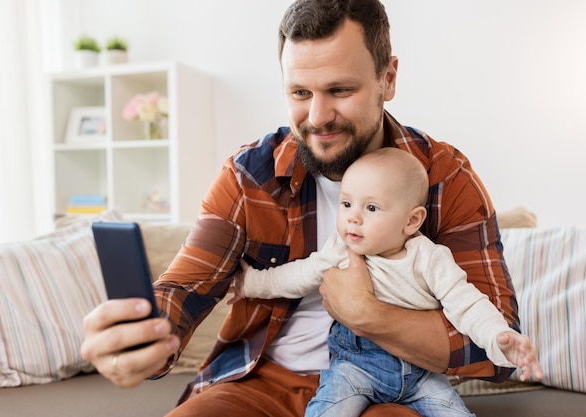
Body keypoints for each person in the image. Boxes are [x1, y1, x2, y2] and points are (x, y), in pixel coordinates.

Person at [81, 1, 523, 416]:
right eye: (299, 92)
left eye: (340, 89)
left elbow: (499, 347)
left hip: (392, 388)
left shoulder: (443, 175)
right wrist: (141, 338)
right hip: (261, 381)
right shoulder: (248, 175)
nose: (317, 116)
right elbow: (184, 287)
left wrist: (369, 315)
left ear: (388, 78)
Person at [228, 147, 542, 417]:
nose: (353, 217)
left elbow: (467, 303)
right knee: (328, 409)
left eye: (372, 208)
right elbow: (295, 276)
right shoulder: (340, 249)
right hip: (355, 367)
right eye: (347, 204)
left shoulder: (428, 259)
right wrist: (250, 283)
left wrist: (499, 336)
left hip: (421, 374)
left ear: (411, 221)